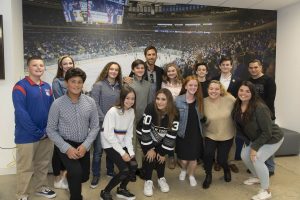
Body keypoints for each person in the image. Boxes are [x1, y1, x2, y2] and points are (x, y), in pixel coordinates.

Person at [47, 68, 100, 200]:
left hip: (83, 144)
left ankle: (67, 175)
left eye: (79, 82)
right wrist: (66, 148)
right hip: (65, 144)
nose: (76, 85)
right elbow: (51, 130)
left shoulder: (90, 102)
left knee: (83, 177)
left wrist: (86, 145)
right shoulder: (57, 104)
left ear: (83, 84)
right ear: (66, 83)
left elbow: (95, 127)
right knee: (76, 173)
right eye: (73, 81)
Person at [12, 56, 56, 200]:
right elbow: (21, 113)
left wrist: (48, 130)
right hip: (27, 136)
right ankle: (22, 194)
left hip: (46, 134)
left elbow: (52, 109)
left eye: (41, 65)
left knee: (42, 164)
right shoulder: (20, 86)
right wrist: (37, 132)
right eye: (34, 65)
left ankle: (40, 188)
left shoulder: (46, 86)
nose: (38, 68)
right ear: (28, 67)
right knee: (25, 168)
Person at [232, 81, 284, 200]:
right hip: (257, 138)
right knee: (244, 155)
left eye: (247, 91)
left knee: (257, 158)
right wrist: (249, 143)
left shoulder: (259, 107)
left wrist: (254, 148)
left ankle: (266, 190)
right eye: (241, 90)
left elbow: (267, 132)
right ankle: (257, 177)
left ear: (252, 93)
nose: (243, 93)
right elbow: (239, 127)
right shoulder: (237, 105)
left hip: (273, 138)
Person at [137, 88, 179, 197]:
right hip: (145, 134)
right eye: (158, 99)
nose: (159, 102)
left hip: (162, 138)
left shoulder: (175, 112)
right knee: (150, 157)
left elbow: (171, 135)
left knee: (161, 157)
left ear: (169, 101)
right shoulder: (151, 107)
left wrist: (162, 152)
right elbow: (145, 129)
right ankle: (148, 181)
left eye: (163, 99)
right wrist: (150, 149)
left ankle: (161, 178)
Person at [100, 86, 137, 200]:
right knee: (124, 170)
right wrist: (122, 153)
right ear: (122, 98)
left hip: (120, 142)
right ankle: (105, 192)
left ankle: (121, 189)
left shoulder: (131, 112)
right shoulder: (113, 111)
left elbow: (128, 134)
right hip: (109, 143)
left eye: (132, 99)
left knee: (133, 165)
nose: (130, 101)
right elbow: (109, 135)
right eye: (127, 98)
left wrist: (130, 152)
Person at [90, 62, 123, 188]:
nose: (114, 71)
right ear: (107, 70)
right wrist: (105, 120)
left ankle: (110, 171)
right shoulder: (98, 85)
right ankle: (96, 174)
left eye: (116, 70)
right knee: (98, 150)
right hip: (100, 123)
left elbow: (121, 104)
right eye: (111, 69)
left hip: (115, 124)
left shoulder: (120, 87)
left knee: (112, 149)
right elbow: (94, 104)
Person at [202, 80, 236, 189]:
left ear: (220, 90)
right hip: (210, 134)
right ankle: (208, 175)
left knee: (221, 160)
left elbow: (241, 109)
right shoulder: (203, 102)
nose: (214, 91)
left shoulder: (230, 99)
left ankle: (226, 170)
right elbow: (200, 118)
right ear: (208, 90)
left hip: (227, 134)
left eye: (216, 89)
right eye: (211, 89)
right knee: (208, 155)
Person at [212, 56, 241, 173]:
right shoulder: (214, 79)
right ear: (220, 66)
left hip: (230, 113)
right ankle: (218, 161)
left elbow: (240, 97)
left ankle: (230, 161)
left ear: (231, 66)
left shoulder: (238, 80)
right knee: (215, 135)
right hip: (216, 112)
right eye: (223, 65)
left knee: (230, 137)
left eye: (227, 64)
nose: (225, 67)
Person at [248, 59, 277, 176]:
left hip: (266, 116)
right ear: (248, 69)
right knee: (255, 142)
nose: (253, 70)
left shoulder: (269, 81)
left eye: (256, 67)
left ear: (261, 67)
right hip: (252, 118)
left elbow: (270, 100)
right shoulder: (248, 81)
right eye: (251, 68)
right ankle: (255, 164)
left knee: (268, 142)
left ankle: (270, 168)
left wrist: (261, 114)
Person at [175, 76, 204, 187]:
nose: (193, 87)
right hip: (182, 133)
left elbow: (203, 116)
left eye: (195, 85)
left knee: (193, 158)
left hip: (196, 133)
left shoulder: (200, 100)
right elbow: (173, 117)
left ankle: (191, 175)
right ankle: (183, 170)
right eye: (190, 85)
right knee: (183, 159)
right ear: (185, 86)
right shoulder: (178, 100)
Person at [52, 55, 75, 190]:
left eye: (70, 63)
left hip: (75, 120)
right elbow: (60, 101)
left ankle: (65, 177)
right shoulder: (57, 82)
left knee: (70, 148)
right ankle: (57, 178)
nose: (68, 65)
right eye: (65, 64)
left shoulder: (76, 79)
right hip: (62, 119)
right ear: (61, 66)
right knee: (59, 150)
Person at [126, 59, 151, 179]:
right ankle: (132, 168)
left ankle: (139, 167)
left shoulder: (148, 84)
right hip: (131, 118)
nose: (140, 70)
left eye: (142, 68)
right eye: (137, 68)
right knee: (131, 143)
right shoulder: (128, 83)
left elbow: (150, 102)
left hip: (143, 119)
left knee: (141, 145)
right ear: (133, 70)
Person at [161, 63, 183, 169]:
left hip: (181, 113)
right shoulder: (163, 84)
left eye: (173, 70)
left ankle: (180, 155)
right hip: (168, 113)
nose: (171, 73)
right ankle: (170, 156)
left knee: (179, 134)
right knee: (169, 134)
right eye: (169, 71)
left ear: (177, 71)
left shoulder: (182, 83)